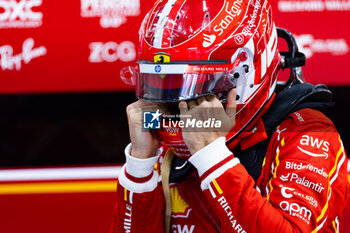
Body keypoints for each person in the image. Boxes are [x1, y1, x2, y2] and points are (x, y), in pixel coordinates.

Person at [110, 0, 350, 232]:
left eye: (194, 89)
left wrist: (211, 157)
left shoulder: (308, 133)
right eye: (163, 88)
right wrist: (139, 165)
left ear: (245, 75)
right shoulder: (166, 136)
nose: (178, 106)